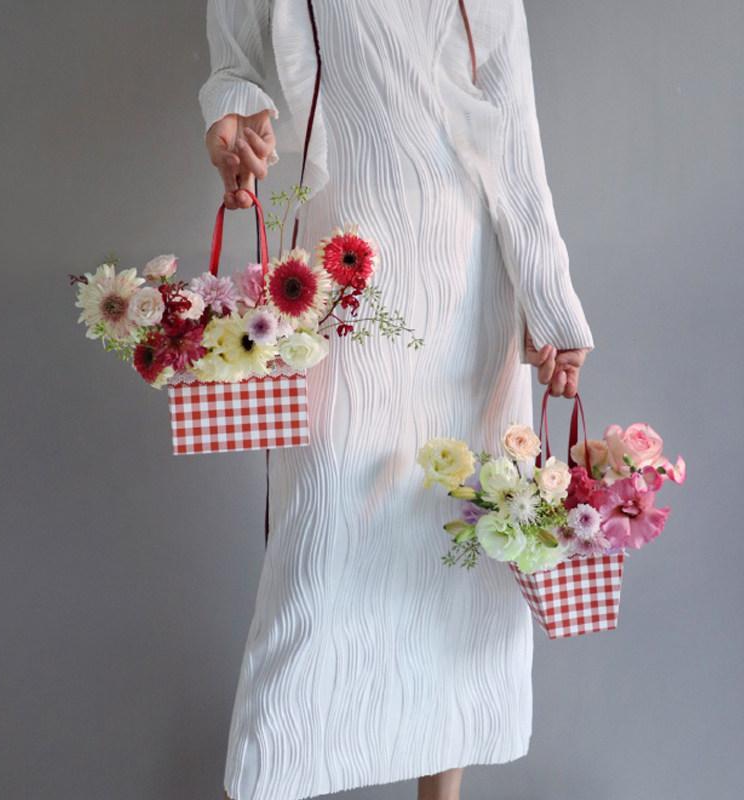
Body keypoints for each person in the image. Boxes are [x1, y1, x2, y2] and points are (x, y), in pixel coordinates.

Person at [199, 3, 592, 800]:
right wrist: (231, 122)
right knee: (322, 538)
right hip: (343, 270)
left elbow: (511, 131)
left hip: (467, 279)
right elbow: (235, 64)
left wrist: (549, 301)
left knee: (454, 537)